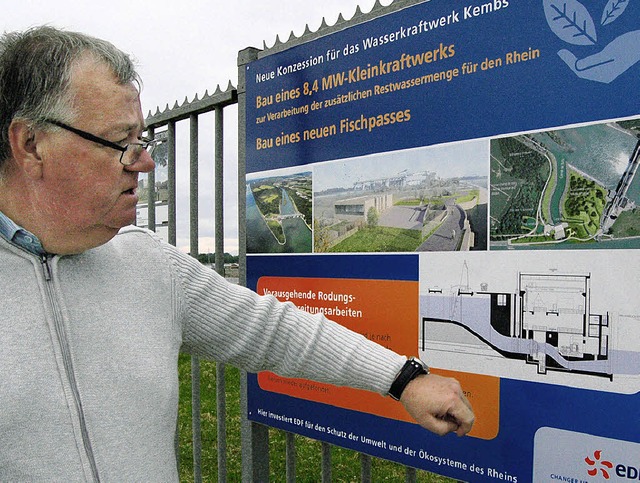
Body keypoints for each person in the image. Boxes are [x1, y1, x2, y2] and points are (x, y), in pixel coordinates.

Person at [0, 26, 474, 481]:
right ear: (31, 144)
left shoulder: (148, 267)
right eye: (122, 143)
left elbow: (273, 330)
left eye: (143, 141)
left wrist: (403, 378)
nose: (145, 162)